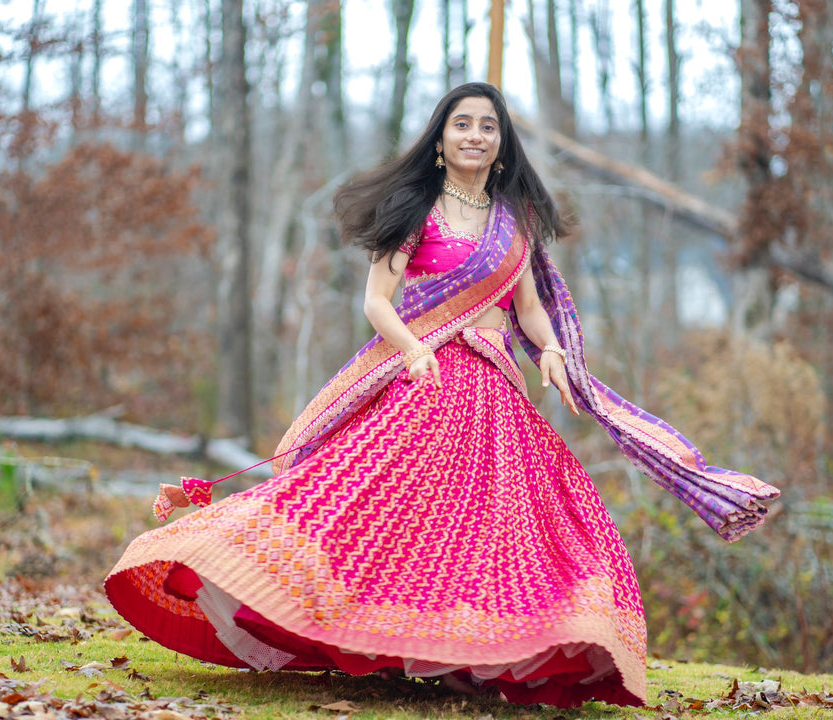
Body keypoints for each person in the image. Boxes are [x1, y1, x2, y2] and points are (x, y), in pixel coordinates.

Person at [105, 82, 779, 709]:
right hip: (427, 380)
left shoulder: (515, 222)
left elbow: (531, 307)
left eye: (489, 127)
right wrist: (413, 347)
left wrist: (550, 351)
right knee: (380, 508)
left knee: (498, 528)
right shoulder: (416, 211)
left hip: (497, 388)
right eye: (463, 125)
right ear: (440, 140)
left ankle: (475, 655)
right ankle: (342, 620)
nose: (476, 136)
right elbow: (376, 301)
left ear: (501, 144)